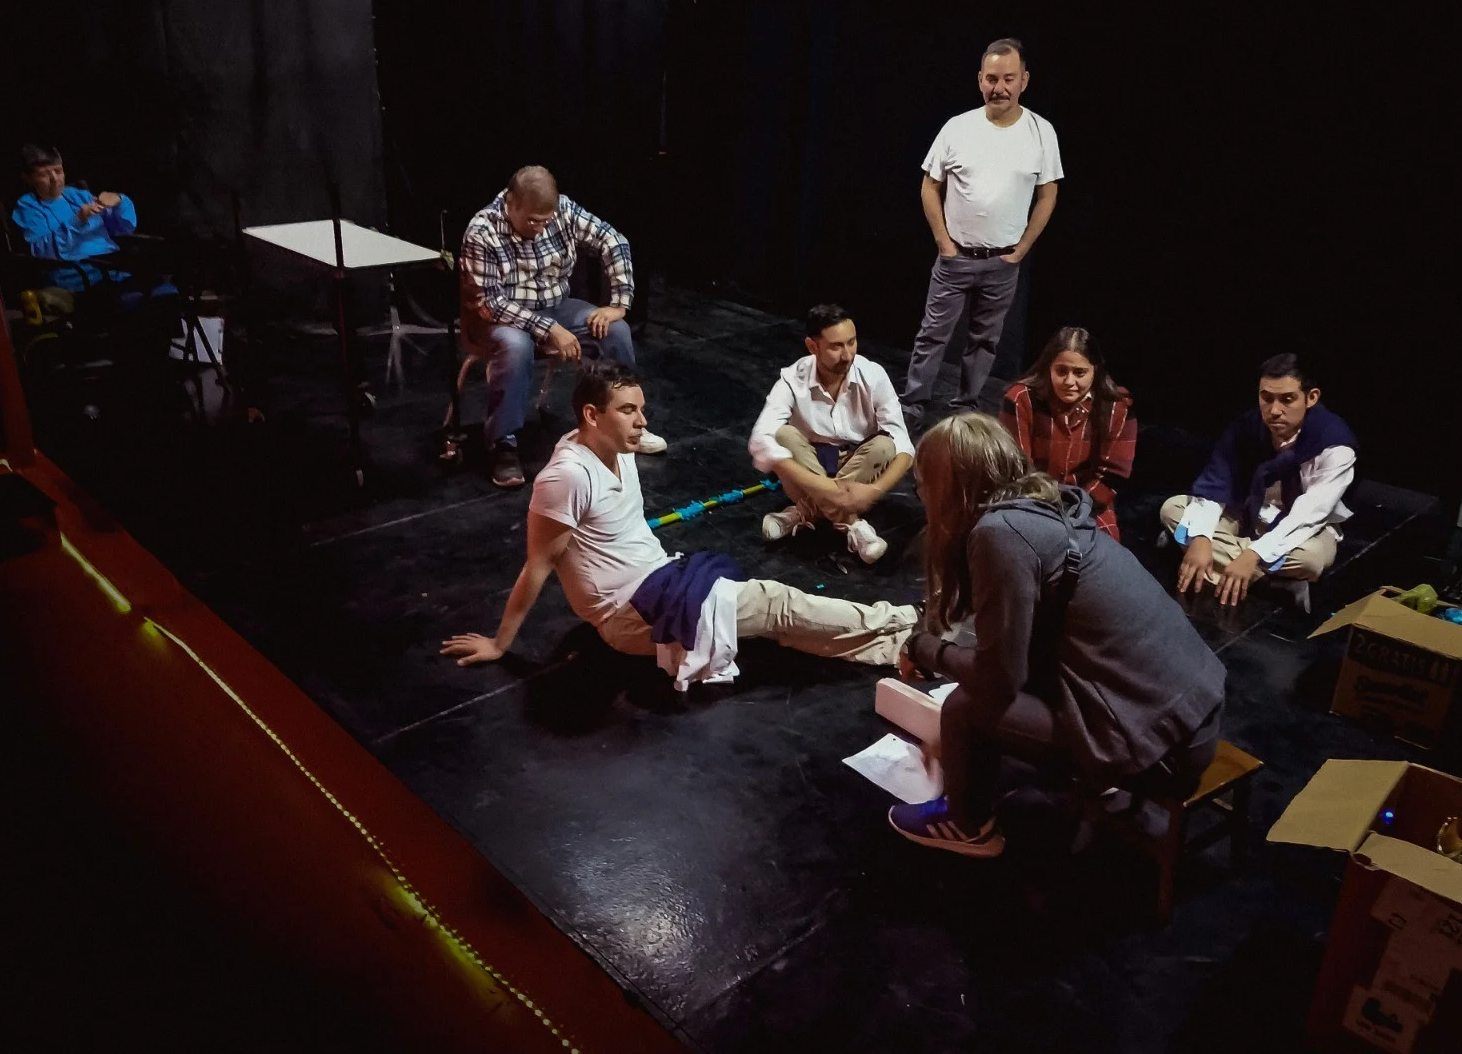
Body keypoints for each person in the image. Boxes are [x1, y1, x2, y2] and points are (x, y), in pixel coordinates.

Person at [442, 361, 916, 684]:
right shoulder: (567, 476)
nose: (642, 421)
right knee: (775, 603)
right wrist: (500, 645)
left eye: (641, 409)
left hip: (660, 580)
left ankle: (892, 647)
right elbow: (538, 565)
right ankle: (905, 620)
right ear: (591, 415)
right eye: (628, 411)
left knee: (772, 623)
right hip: (631, 615)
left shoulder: (616, 447)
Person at [886, 414, 1225, 857]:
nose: (923, 497)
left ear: (951, 487)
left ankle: (968, 825)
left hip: (1163, 749)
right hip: (1196, 712)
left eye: (924, 486)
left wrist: (926, 650)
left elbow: (998, 678)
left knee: (965, 708)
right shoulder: (1045, 506)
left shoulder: (999, 534)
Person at [459, 165, 666, 489]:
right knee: (516, 346)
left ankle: (623, 424)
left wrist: (619, 304)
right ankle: (503, 444)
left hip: (557, 306)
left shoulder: (564, 210)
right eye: (532, 221)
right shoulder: (482, 230)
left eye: (545, 221)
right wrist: (549, 329)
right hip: (501, 317)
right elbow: (490, 303)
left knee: (616, 331)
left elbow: (614, 240)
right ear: (510, 203)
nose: (540, 228)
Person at [902, 38, 1063, 429]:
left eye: (1008, 78)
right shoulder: (958, 128)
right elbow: (929, 186)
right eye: (992, 78)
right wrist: (944, 242)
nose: (999, 87)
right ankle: (913, 405)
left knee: (985, 341)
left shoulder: (1041, 132)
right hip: (956, 256)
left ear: (1024, 80)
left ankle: (965, 405)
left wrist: (1022, 249)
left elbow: (1048, 193)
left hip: (1003, 262)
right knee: (932, 335)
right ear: (980, 80)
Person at [1161, 353, 1357, 607]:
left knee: (1311, 560)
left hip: (1301, 529)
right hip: (1248, 516)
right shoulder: (1247, 425)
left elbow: (1310, 513)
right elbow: (1217, 483)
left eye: (1287, 400)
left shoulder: (1334, 444)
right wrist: (1200, 538)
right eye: (1266, 398)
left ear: (1311, 398)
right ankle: (1269, 583)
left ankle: (1210, 560)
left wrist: (1254, 554)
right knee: (1172, 508)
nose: (1274, 411)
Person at [747, 304, 915, 564]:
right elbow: (760, 439)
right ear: (812, 346)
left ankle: (805, 511)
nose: (847, 355)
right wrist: (828, 490)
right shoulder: (793, 379)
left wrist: (874, 491)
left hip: (858, 467)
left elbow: (904, 444)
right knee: (783, 436)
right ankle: (851, 522)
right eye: (836, 346)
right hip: (811, 463)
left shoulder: (873, 375)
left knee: (885, 446)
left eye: (852, 342)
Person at [999, 326, 1136, 542]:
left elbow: (1113, 474)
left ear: (1095, 370)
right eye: (1061, 371)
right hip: (1031, 501)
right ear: (1049, 368)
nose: (1069, 381)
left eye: (1080, 373)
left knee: (1104, 554)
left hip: (1091, 506)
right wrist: (1047, 508)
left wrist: (1075, 509)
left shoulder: (1116, 406)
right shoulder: (1021, 399)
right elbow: (1017, 467)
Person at [11, 143, 160, 300]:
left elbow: (124, 228)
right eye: (44, 175)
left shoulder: (78, 196)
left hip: (112, 268)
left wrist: (119, 202)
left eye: (58, 171)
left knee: (163, 289)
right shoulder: (28, 207)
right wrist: (78, 220)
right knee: (135, 297)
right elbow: (43, 252)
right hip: (74, 276)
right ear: (28, 178)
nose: (55, 179)